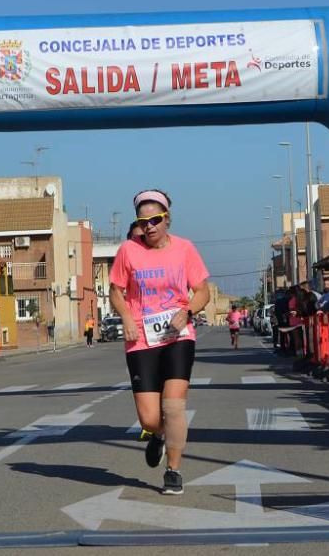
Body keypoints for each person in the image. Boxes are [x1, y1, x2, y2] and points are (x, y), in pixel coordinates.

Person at [109, 188, 210, 496]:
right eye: (143, 221)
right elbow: (116, 291)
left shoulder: (185, 249)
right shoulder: (128, 250)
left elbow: (203, 290)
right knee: (151, 418)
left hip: (178, 335)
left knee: (174, 406)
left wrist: (188, 310)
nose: (149, 226)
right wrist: (126, 317)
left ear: (167, 219)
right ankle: (158, 436)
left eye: (155, 220)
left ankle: (174, 471)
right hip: (141, 338)